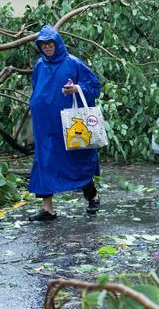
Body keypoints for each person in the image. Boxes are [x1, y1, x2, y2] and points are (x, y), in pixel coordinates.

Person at [27, 25, 102, 221]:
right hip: (44, 124)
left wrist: (76, 88)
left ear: (57, 44)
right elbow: (36, 88)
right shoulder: (39, 65)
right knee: (44, 162)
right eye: (43, 45)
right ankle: (48, 209)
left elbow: (94, 85)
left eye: (50, 44)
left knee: (75, 161)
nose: (47, 48)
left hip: (69, 124)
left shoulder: (73, 63)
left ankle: (92, 196)